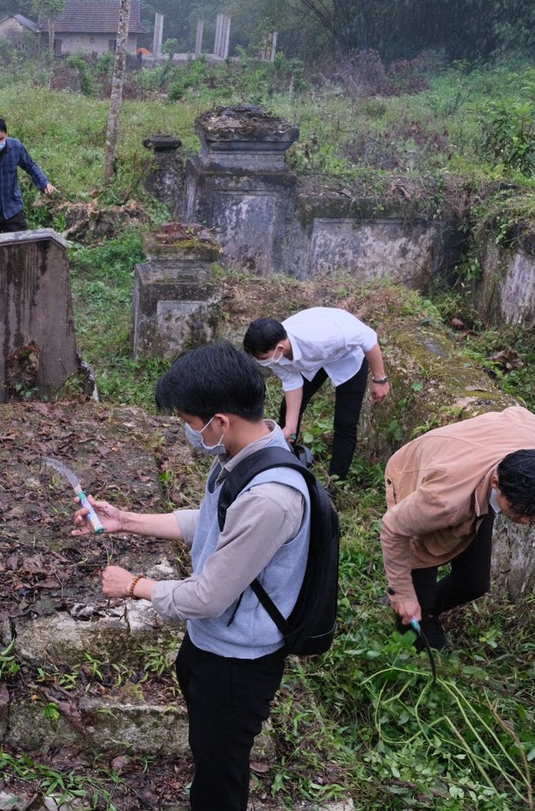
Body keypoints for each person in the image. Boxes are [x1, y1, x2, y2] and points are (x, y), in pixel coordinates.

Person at [71, 341, 309, 810]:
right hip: (212, 647)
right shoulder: (242, 456)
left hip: (237, 666)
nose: (187, 429)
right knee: (210, 755)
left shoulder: (270, 497)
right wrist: (128, 520)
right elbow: (210, 521)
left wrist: (133, 586)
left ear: (220, 422)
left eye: (189, 421)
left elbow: (206, 597)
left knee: (220, 776)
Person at [380, 405, 535, 649]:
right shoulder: (443, 501)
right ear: (496, 483)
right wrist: (402, 593)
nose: (529, 521)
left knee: (474, 583)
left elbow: (517, 412)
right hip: (419, 471)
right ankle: (413, 634)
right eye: (523, 512)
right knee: (421, 570)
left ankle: (426, 610)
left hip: (471, 478)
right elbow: (392, 528)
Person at [243, 307, 391, 484]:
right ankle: (285, 462)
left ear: (280, 348)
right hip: (313, 360)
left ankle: (335, 483)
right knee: (288, 413)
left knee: (346, 422)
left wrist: (379, 379)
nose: (261, 361)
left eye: (262, 357)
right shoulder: (275, 353)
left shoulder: (326, 335)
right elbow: (292, 382)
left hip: (346, 355)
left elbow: (368, 338)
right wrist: (290, 425)